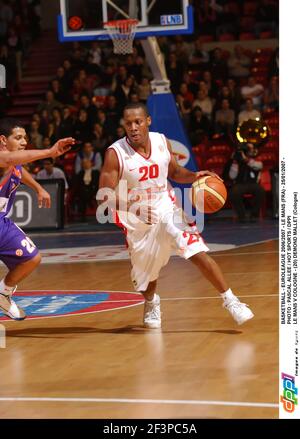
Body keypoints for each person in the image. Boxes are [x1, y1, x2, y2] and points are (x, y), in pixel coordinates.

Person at [99, 103, 254, 329]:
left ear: (148, 121)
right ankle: (151, 301)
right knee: (145, 281)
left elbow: (174, 172)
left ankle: (231, 300)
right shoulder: (115, 154)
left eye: (137, 122)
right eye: (128, 123)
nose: (133, 127)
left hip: (166, 206)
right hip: (137, 220)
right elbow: (104, 195)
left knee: (195, 250)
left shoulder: (162, 141)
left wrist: (194, 176)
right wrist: (133, 208)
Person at [0, 117, 75, 320]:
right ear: (3, 140)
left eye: (25, 137)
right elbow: (9, 162)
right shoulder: (2, 158)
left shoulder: (14, 162)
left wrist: (38, 188)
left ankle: (3, 293)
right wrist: (50, 152)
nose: (24, 141)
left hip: (1, 222)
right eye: (18, 137)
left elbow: (19, 169)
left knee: (32, 258)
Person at [223, 143, 265, 222]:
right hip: (240, 184)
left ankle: (254, 214)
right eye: (248, 148)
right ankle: (241, 216)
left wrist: (246, 159)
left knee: (260, 191)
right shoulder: (236, 161)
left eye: (251, 148)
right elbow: (232, 176)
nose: (251, 150)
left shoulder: (256, 160)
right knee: (234, 193)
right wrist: (234, 161)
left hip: (253, 184)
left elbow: (258, 166)